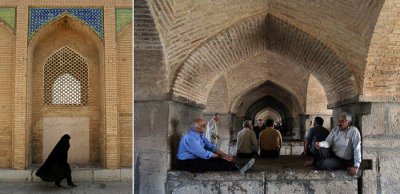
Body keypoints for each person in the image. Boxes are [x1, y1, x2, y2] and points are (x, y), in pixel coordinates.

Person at [177, 119, 255, 174]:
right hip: (187, 163)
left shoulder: (200, 135)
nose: (206, 127)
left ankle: (237, 166)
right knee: (214, 163)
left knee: (217, 159)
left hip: (195, 159)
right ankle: (236, 167)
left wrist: (224, 155)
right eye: (204, 125)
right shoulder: (190, 137)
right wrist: (218, 156)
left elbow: (211, 146)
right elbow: (202, 153)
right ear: (197, 127)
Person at [313, 112, 361, 176]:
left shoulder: (353, 131)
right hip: (332, 154)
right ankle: (320, 161)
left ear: (348, 123)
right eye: (339, 121)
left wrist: (356, 167)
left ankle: (320, 162)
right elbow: (328, 142)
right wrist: (320, 144)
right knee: (322, 148)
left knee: (325, 163)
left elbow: (357, 148)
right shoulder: (336, 129)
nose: (339, 123)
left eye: (342, 122)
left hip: (342, 161)